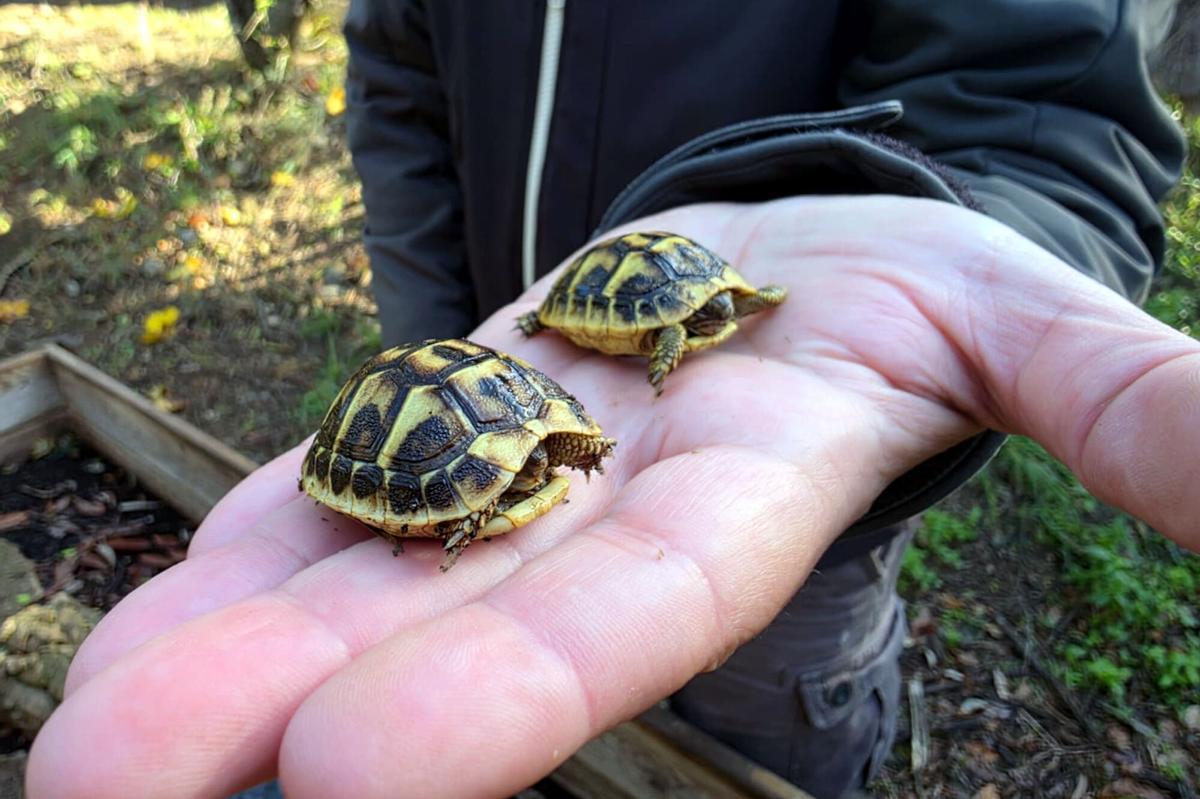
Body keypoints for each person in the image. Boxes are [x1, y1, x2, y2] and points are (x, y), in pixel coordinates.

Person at [24, 3, 1196, 799]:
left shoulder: (591, 421)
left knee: (764, 720)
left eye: (536, 469)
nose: (546, 472)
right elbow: (398, 76)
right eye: (530, 472)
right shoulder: (517, 430)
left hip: (801, 501)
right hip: (485, 336)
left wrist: (917, 217)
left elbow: (1045, 100)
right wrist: (430, 329)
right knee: (457, 706)